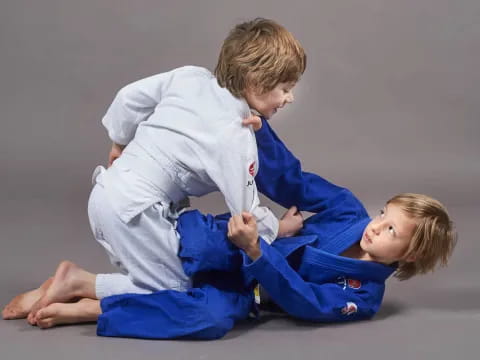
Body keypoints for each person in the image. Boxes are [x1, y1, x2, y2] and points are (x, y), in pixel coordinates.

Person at [2, 118, 456, 340]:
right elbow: (293, 180)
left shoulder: (363, 296)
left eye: (392, 230)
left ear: (411, 253)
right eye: (384, 214)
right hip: (229, 246)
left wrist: (261, 253)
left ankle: (90, 300)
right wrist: (257, 129)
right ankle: (87, 280)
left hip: (249, 287)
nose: (376, 227)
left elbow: (305, 301)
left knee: (209, 317)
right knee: (197, 253)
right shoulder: (347, 213)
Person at [20, 18, 307, 321]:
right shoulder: (233, 136)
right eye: (285, 88)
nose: (290, 97)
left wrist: (119, 142)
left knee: (162, 274)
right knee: (178, 289)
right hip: (135, 211)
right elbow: (245, 215)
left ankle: (78, 284)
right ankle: (82, 288)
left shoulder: (190, 77)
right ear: (256, 83)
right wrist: (279, 228)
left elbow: (128, 99)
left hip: (108, 192)